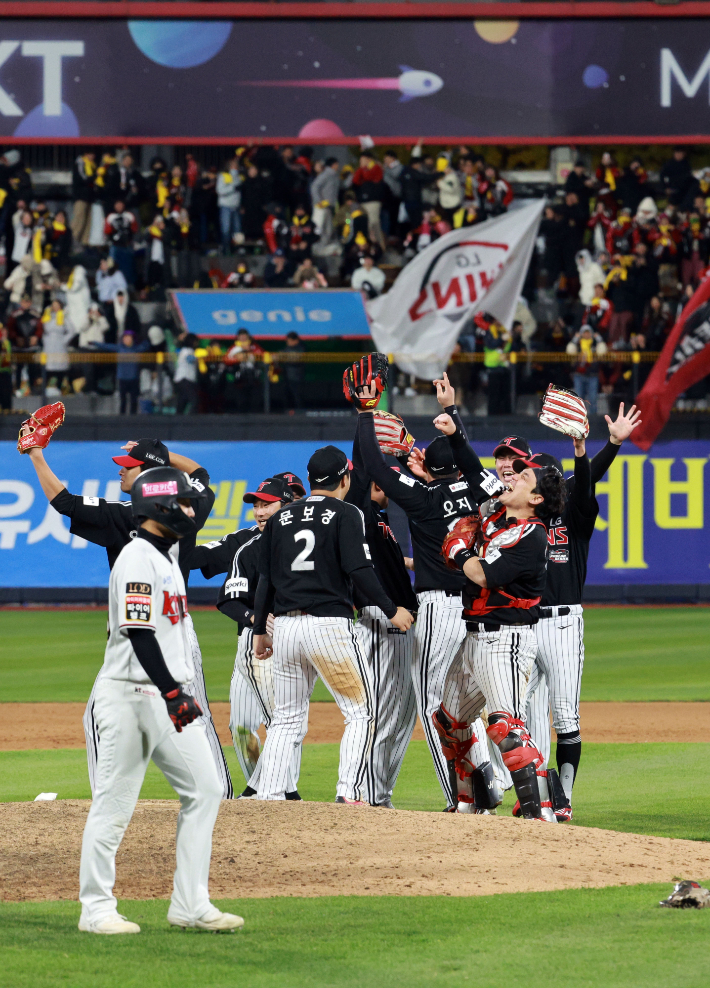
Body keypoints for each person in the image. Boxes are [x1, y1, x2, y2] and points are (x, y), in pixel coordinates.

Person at [19, 435, 232, 800]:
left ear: (147, 473)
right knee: (195, 715)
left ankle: (111, 798)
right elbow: (200, 472)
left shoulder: (123, 515)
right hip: (177, 626)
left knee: (102, 719)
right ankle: (220, 796)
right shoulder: (194, 503)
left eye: (128, 466)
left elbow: (63, 501)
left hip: (138, 628)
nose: (120, 471)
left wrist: (35, 453)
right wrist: (160, 455)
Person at [78, 466, 243, 935]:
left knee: (206, 789)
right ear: (160, 507)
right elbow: (137, 631)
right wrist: (174, 692)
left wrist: (172, 693)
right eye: (186, 503)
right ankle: (96, 909)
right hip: (129, 696)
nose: (194, 510)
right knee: (113, 804)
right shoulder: (136, 557)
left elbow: (204, 492)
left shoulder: (167, 552)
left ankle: (190, 903)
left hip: (166, 696)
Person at [354, 386, 503, 809]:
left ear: (429, 470)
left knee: (434, 708)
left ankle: (463, 799)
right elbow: (469, 460)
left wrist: (366, 413)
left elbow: (376, 469)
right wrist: (452, 413)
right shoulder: (482, 492)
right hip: (479, 607)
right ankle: (488, 785)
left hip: (439, 608)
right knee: (465, 705)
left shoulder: (423, 499)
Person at [252, 446, 413, 802]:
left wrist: (260, 631)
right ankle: (348, 794)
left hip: (287, 628)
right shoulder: (347, 512)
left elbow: (266, 579)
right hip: (329, 627)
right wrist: (391, 610)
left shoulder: (281, 518)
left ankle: (269, 797)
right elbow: (360, 571)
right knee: (362, 712)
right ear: (346, 478)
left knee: (287, 718)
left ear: (309, 481)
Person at [434, 444, 568, 820]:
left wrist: (461, 550)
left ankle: (542, 812)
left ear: (537, 497)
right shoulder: (498, 520)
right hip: (473, 638)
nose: (512, 476)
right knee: (450, 722)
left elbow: (483, 574)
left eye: (523, 476)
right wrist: (452, 423)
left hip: (505, 640)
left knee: (505, 727)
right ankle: (470, 802)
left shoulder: (532, 535)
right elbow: (478, 483)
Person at [185, 477, 304, 798]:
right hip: (252, 643)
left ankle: (281, 791)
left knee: (283, 721)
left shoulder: (309, 539)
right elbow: (199, 561)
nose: (260, 511)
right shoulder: (246, 543)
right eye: (257, 504)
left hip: (289, 641)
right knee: (241, 727)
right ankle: (261, 787)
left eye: (268, 503)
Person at [346, 416, 418, 808]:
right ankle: (367, 793)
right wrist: (365, 415)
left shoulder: (380, 519)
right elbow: (362, 470)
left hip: (396, 620)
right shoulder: (361, 512)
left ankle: (380, 794)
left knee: (401, 715)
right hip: (382, 620)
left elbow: (384, 563)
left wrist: (406, 564)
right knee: (383, 713)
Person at [217, 156, 242, 254]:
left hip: (236, 206)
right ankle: (225, 248)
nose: (235, 166)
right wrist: (232, 188)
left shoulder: (239, 177)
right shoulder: (223, 176)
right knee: (226, 229)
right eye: (233, 164)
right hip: (226, 206)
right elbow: (220, 190)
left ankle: (237, 249)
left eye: (236, 165)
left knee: (237, 230)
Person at [173, 332, 199, 414]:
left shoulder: (184, 350)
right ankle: (190, 420)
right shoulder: (187, 350)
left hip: (182, 380)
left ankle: (177, 420)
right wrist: (200, 357)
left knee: (182, 401)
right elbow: (189, 359)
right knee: (194, 400)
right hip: (185, 379)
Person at [281, 331, 306, 412]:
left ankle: (300, 413)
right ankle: (287, 413)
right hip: (286, 377)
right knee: (286, 396)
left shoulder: (300, 348)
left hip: (296, 377)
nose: (288, 342)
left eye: (290, 340)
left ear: (296, 340)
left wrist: (284, 357)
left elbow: (296, 360)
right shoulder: (286, 349)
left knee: (297, 396)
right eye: (288, 340)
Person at [0, 322, 12, 410]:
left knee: (6, 393)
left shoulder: (7, 342)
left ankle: (6, 410)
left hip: (5, 372)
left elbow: (8, 357)